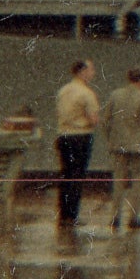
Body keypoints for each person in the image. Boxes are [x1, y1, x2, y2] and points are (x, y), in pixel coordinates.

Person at [103, 66, 140, 230]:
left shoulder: (115, 95)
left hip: (118, 145)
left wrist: (111, 139)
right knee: (137, 182)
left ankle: (115, 217)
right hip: (137, 146)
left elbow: (106, 121)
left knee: (118, 181)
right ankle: (133, 218)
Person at [51, 60, 100, 227]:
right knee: (77, 176)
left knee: (65, 174)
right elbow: (94, 120)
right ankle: (72, 216)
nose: (93, 73)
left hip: (63, 135)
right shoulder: (87, 93)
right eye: (91, 69)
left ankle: (62, 214)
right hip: (80, 137)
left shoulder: (63, 91)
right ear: (83, 72)